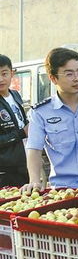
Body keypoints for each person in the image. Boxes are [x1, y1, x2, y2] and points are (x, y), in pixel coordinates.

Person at [23, 48, 78, 191]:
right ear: (53, 78)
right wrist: (34, 180)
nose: (77, 78)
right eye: (69, 74)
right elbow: (34, 149)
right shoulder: (41, 112)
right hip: (64, 190)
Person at [0, 54, 29, 187]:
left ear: (12, 73)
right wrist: (21, 133)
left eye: (4, 73)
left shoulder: (15, 95)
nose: (1, 79)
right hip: (5, 170)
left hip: (23, 163)